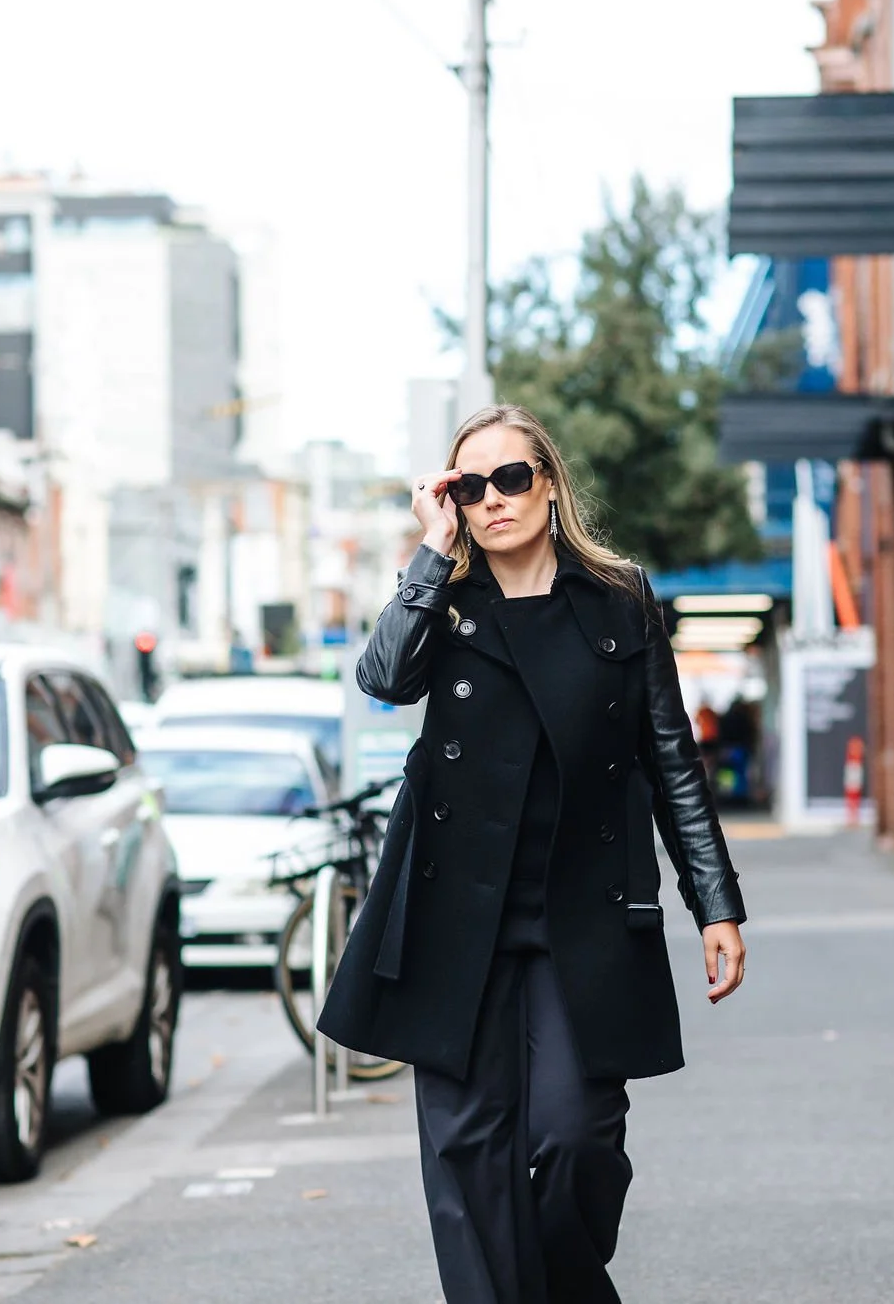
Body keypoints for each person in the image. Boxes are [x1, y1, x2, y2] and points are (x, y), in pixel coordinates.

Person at [318, 405, 747, 1303]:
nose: (493, 500)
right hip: (452, 922)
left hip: (579, 917)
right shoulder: (446, 602)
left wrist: (716, 903)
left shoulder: (619, 600)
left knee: (574, 1135)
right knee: (469, 1161)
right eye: (470, 488)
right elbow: (384, 676)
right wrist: (430, 554)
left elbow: (670, 758)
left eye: (511, 478)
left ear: (548, 481)